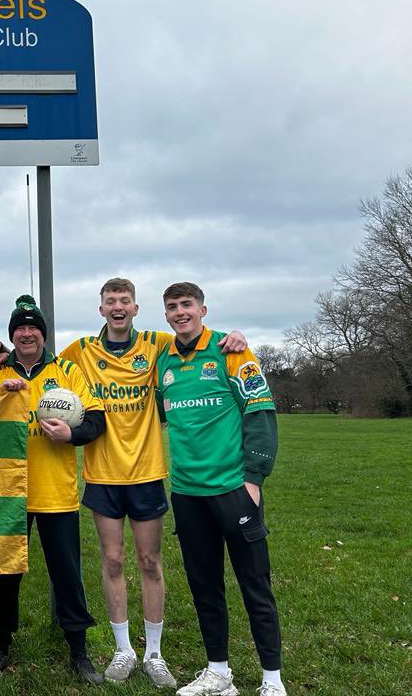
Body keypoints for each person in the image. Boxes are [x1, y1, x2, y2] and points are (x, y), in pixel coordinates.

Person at [0, 279, 247, 688]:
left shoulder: (145, 348)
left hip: (110, 480)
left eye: (124, 301)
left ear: (135, 308)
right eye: (110, 301)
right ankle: (15, 647)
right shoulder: (60, 357)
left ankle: (117, 653)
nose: (27, 333)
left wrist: (233, 338)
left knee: (113, 567)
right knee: (31, 568)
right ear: (100, 308)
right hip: (44, 484)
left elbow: (193, 336)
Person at [156, 283, 284, 696]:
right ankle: (219, 673)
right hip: (188, 494)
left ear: (203, 309)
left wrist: (254, 478)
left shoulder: (232, 351)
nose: (180, 312)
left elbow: (260, 412)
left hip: (233, 490)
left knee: (254, 583)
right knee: (205, 586)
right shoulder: (165, 361)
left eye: (187, 305)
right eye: (173, 307)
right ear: (166, 315)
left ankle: (272, 680)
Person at [0, 295, 107, 684]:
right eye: (19, 328)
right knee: (5, 572)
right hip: (7, 491)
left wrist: (71, 434)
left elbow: (96, 421)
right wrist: (0, 397)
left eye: (33, 328)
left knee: (66, 572)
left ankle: (78, 651)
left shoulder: (67, 371)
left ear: (43, 334)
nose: (26, 333)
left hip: (55, 492)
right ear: (12, 336)